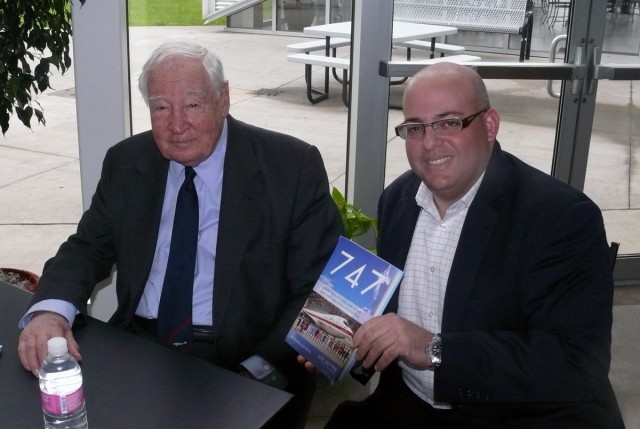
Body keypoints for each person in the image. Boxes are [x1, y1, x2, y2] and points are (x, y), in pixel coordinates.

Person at [18, 41, 343, 428]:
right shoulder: (127, 162)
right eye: (161, 107)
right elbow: (87, 248)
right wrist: (51, 311)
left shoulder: (290, 167)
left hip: (243, 359)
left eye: (192, 105)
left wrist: (257, 372)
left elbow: (318, 290)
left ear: (223, 99)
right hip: (140, 349)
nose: (176, 124)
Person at [320, 63, 625, 428]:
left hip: (519, 413)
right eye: (415, 127)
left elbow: (575, 362)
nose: (430, 142)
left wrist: (433, 349)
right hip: (410, 403)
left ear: (490, 125)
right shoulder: (397, 200)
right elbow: (392, 324)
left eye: (449, 122)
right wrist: (344, 344)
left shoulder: (560, 217)